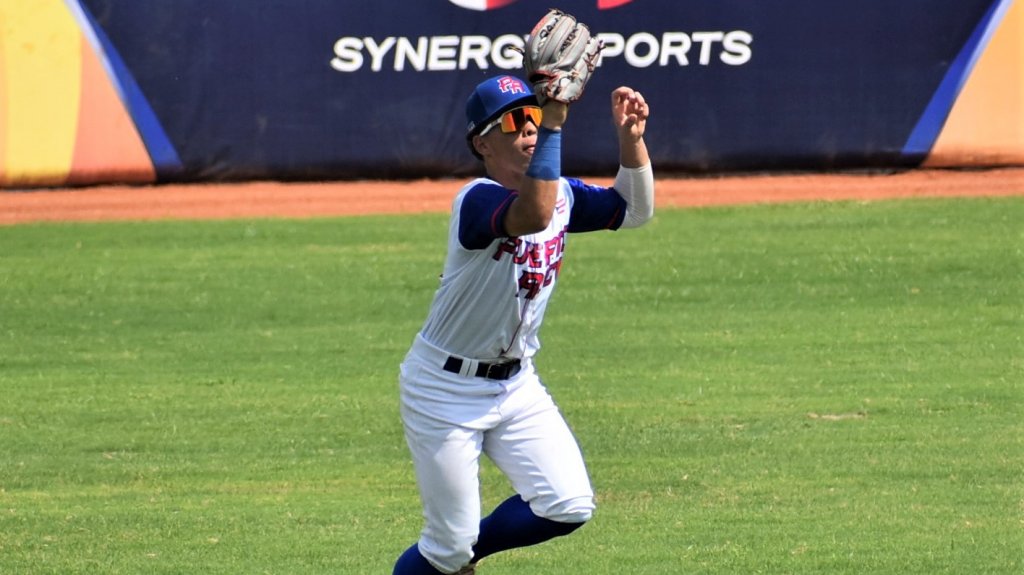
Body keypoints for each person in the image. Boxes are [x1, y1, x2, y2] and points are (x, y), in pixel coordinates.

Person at [392, 74, 654, 575]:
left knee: (569, 502)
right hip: (443, 390)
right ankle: (452, 554)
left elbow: (633, 211)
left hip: (515, 386)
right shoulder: (477, 199)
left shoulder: (559, 196)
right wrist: (557, 122)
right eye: (516, 121)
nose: (531, 128)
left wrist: (631, 141)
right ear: (482, 143)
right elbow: (532, 214)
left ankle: (464, 553)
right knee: (447, 547)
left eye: (536, 116)